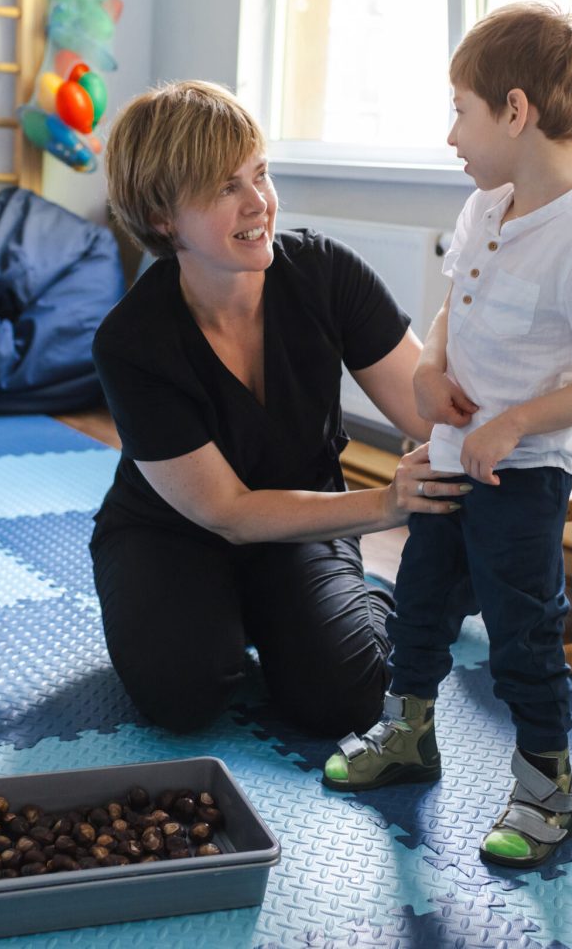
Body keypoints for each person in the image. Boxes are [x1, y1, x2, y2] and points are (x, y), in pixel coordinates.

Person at [322, 3, 572, 869]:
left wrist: (513, 423)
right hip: (452, 462)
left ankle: (545, 791)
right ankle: (407, 736)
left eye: (460, 109)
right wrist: (428, 369)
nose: (451, 133)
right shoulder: (484, 208)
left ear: (515, 109)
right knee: (417, 608)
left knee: (523, 636)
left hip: (521, 479)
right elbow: (448, 312)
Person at [90, 80, 469, 740]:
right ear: (160, 218)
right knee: (184, 695)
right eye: (222, 188)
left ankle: (356, 604)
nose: (257, 202)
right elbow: (227, 513)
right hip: (171, 533)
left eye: (258, 174)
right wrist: (387, 506)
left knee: (343, 700)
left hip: (302, 526)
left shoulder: (326, 273)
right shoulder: (131, 342)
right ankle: (235, 617)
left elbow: (422, 408)